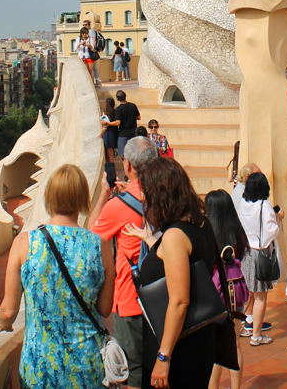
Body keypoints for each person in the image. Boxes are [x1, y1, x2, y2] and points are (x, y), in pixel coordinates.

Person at [0, 164, 116, 388]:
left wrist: (1, 323)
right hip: (86, 365)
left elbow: (8, 311)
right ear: (83, 198)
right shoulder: (100, 246)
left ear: (48, 196)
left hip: (40, 366)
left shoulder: (25, 243)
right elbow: (105, 309)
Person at [124, 158, 217, 389]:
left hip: (177, 346)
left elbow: (179, 301)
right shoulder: (200, 222)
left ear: (161, 193)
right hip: (198, 338)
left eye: (146, 192)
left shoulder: (175, 236)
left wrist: (163, 357)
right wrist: (153, 242)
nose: (143, 199)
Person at [88, 136, 159, 389]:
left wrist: (105, 196)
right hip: (166, 298)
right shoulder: (169, 196)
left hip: (132, 300)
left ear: (127, 165)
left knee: (134, 369)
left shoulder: (116, 206)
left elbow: (91, 239)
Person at [204, 189, 250, 389]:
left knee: (214, 350)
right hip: (235, 294)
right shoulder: (237, 231)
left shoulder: (206, 231)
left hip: (214, 295)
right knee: (235, 344)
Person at [235, 172, 281, 345]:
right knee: (261, 296)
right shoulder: (265, 205)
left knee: (248, 293)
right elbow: (271, 231)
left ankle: (242, 326)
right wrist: (278, 219)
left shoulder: (243, 204)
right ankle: (256, 335)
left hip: (246, 252)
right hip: (260, 253)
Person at [114, 90, 140, 158]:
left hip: (123, 134)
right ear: (125, 96)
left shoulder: (118, 109)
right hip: (133, 133)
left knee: (124, 156)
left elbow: (118, 122)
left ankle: (126, 168)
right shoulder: (133, 106)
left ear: (117, 99)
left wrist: (107, 123)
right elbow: (139, 117)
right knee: (133, 155)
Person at [100, 96, 120, 163]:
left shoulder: (105, 114)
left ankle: (112, 171)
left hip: (108, 134)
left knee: (109, 155)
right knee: (110, 154)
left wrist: (101, 134)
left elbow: (105, 126)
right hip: (114, 133)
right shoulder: (116, 112)